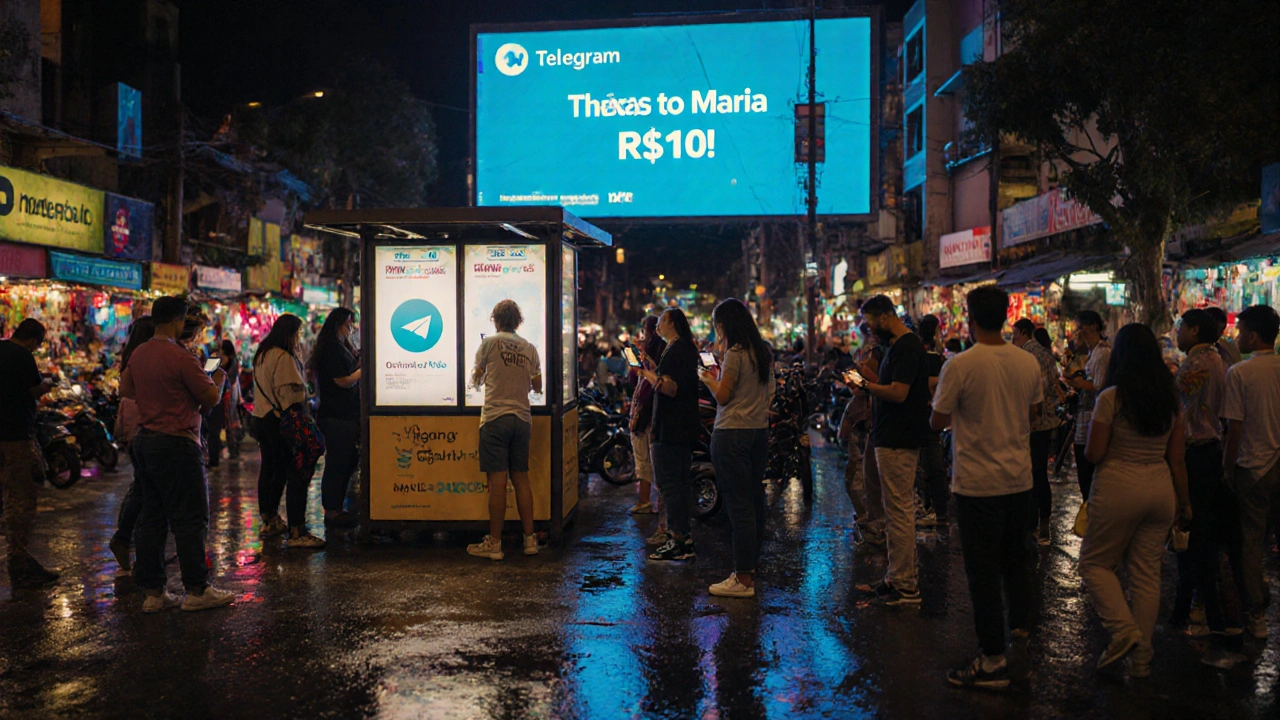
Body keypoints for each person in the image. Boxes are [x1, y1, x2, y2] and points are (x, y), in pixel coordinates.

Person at [931, 286, 1043, 690]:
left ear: (970, 317)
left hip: (978, 484)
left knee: (982, 572)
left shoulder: (960, 365)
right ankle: (1021, 628)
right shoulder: (1027, 362)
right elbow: (1033, 412)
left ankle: (993, 660)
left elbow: (937, 422)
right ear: (1007, 316)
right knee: (1015, 560)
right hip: (1019, 480)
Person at [1078, 323, 1191, 678]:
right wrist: (1185, 504)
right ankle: (1141, 660)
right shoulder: (1170, 398)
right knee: (1145, 574)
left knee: (1095, 565)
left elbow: (1095, 453)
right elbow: (1177, 458)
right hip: (1160, 490)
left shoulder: (1111, 397)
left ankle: (1123, 631)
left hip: (1118, 486)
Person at [120, 297, 236, 612]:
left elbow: (127, 390)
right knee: (190, 516)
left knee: (152, 516)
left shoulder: (139, 353)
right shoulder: (181, 356)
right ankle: (197, 590)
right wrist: (219, 376)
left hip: (146, 441)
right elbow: (210, 397)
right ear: (177, 321)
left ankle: (153, 594)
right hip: (178, 443)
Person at [1168, 309, 1241, 656]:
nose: (1177, 333)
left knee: (1193, 532)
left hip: (1196, 454)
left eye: (1181, 327)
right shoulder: (1219, 360)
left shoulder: (1198, 364)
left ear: (1194, 330)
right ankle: (1190, 611)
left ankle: (1210, 619)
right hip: (1211, 451)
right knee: (1201, 535)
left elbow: (1177, 404)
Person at [851, 295, 931, 605]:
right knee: (894, 509)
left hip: (899, 440)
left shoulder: (908, 346)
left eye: (871, 323)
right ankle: (896, 577)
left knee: (898, 512)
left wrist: (868, 387)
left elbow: (898, 393)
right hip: (891, 438)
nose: (870, 330)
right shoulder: (899, 346)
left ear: (885, 317)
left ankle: (905, 584)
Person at [699, 299, 775, 598]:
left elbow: (723, 397)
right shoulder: (762, 352)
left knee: (739, 505)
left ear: (725, 324)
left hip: (732, 433)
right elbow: (769, 393)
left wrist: (707, 378)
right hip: (758, 433)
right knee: (754, 502)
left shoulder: (735, 353)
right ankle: (750, 567)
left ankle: (742, 579)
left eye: (717, 323)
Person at [467, 300, 542, 560]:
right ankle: (530, 540)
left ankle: (495, 544)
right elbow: (537, 385)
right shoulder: (529, 347)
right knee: (521, 477)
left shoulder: (488, 343)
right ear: (518, 321)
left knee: (497, 482)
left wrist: (484, 380)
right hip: (522, 419)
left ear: (495, 320)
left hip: (495, 417)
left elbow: (474, 380)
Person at [1222, 304, 1280, 640]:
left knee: (1252, 544)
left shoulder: (1240, 374)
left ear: (1254, 335)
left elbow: (1235, 430)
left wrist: (1228, 471)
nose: (1237, 336)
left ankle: (1256, 617)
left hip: (1253, 468)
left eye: (1241, 331)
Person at [252, 314, 324, 549]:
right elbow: (288, 394)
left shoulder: (263, 353)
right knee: (295, 471)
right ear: (290, 333)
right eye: (297, 333)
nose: (298, 338)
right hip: (280, 420)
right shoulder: (282, 356)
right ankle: (296, 529)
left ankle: (270, 518)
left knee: (271, 469)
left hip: (262, 418)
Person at [0, 319, 58, 589]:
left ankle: (20, 560)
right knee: (21, 501)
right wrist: (46, 386)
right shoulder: (23, 356)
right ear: (34, 340)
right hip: (15, 437)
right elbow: (32, 390)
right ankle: (19, 563)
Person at [641, 307, 701, 562]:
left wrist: (648, 376)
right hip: (681, 427)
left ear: (673, 323)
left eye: (662, 321)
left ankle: (678, 540)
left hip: (671, 428)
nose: (658, 327)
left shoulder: (677, 350)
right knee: (679, 484)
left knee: (670, 486)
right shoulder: (682, 348)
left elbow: (671, 388)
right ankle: (682, 538)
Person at [108, 316, 156, 574]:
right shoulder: (145, 358)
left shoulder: (131, 357)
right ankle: (127, 538)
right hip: (145, 426)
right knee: (146, 487)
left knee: (142, 484)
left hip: (133, 426)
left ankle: (126, 538)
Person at [1013, 319, 1063, 545]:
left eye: (1015, 334)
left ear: (1023, 332)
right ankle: (1042, 523)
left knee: (1031, 473)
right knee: (1040, 471)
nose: (1014, 338)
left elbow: (1035, 391)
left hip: (1033, 422)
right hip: (1048, 422)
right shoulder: (1046, 353)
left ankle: (1033, 524)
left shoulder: (1025, 355)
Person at [311, 308, 361, 528]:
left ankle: (337, 508)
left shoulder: (341, 346)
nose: (350, 328)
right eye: (348, 324)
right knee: (337, 463)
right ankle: (332, 510)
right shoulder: (331, 348)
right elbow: (342, 380)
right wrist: (363, 371)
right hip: (336, 415)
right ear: (338, 324)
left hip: (345, 414)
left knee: (347, 460)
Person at [844, 323, 884, 544]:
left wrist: (858, 375)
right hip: (862, 420)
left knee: (859, 479)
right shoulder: (868, 352)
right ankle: (869, 521)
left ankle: (872, 523)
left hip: (867, 421)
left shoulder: (876, 353)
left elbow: (867, 386)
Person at [1066, 311, 1111, 502]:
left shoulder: (1102, 353)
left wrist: (1077, 383)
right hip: (1085, 420)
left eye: (1081, 327)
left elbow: (1099, 386)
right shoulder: (1091, 353)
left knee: (1090, 477)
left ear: (1093, 326)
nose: (1078, 332)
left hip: (1094, 420)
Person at [629, 318, 667, 536]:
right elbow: (634, 383)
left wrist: (644, 368)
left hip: (645, 417)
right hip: (642, 414)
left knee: (644, 458)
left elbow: (648, 389)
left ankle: (645, 500)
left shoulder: (655, 364)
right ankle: (646, 500)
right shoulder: (647, 371)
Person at [915, 314, 948, 528]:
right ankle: (938, 510)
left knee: (923, 465)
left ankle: (928, 507)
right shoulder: (935, 359)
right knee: (934, 465)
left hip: (918, 417)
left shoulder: (916, 356)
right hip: (930, 419)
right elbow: (937, 387)